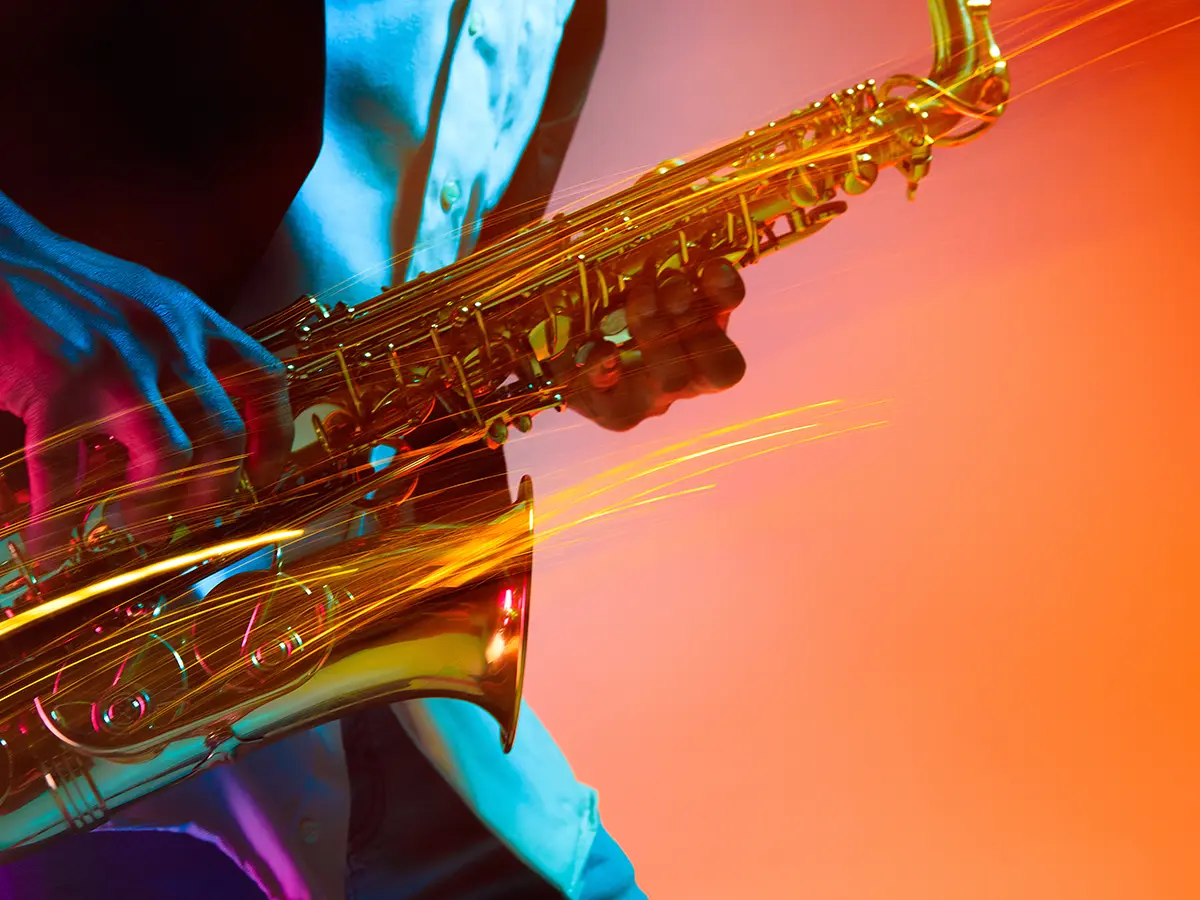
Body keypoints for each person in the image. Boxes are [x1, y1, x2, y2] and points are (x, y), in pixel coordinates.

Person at [0, 1, 747, 897]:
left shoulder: (571, 14)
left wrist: (578, 348)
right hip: (75, 721)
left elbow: (430, 326)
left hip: (403, 712)